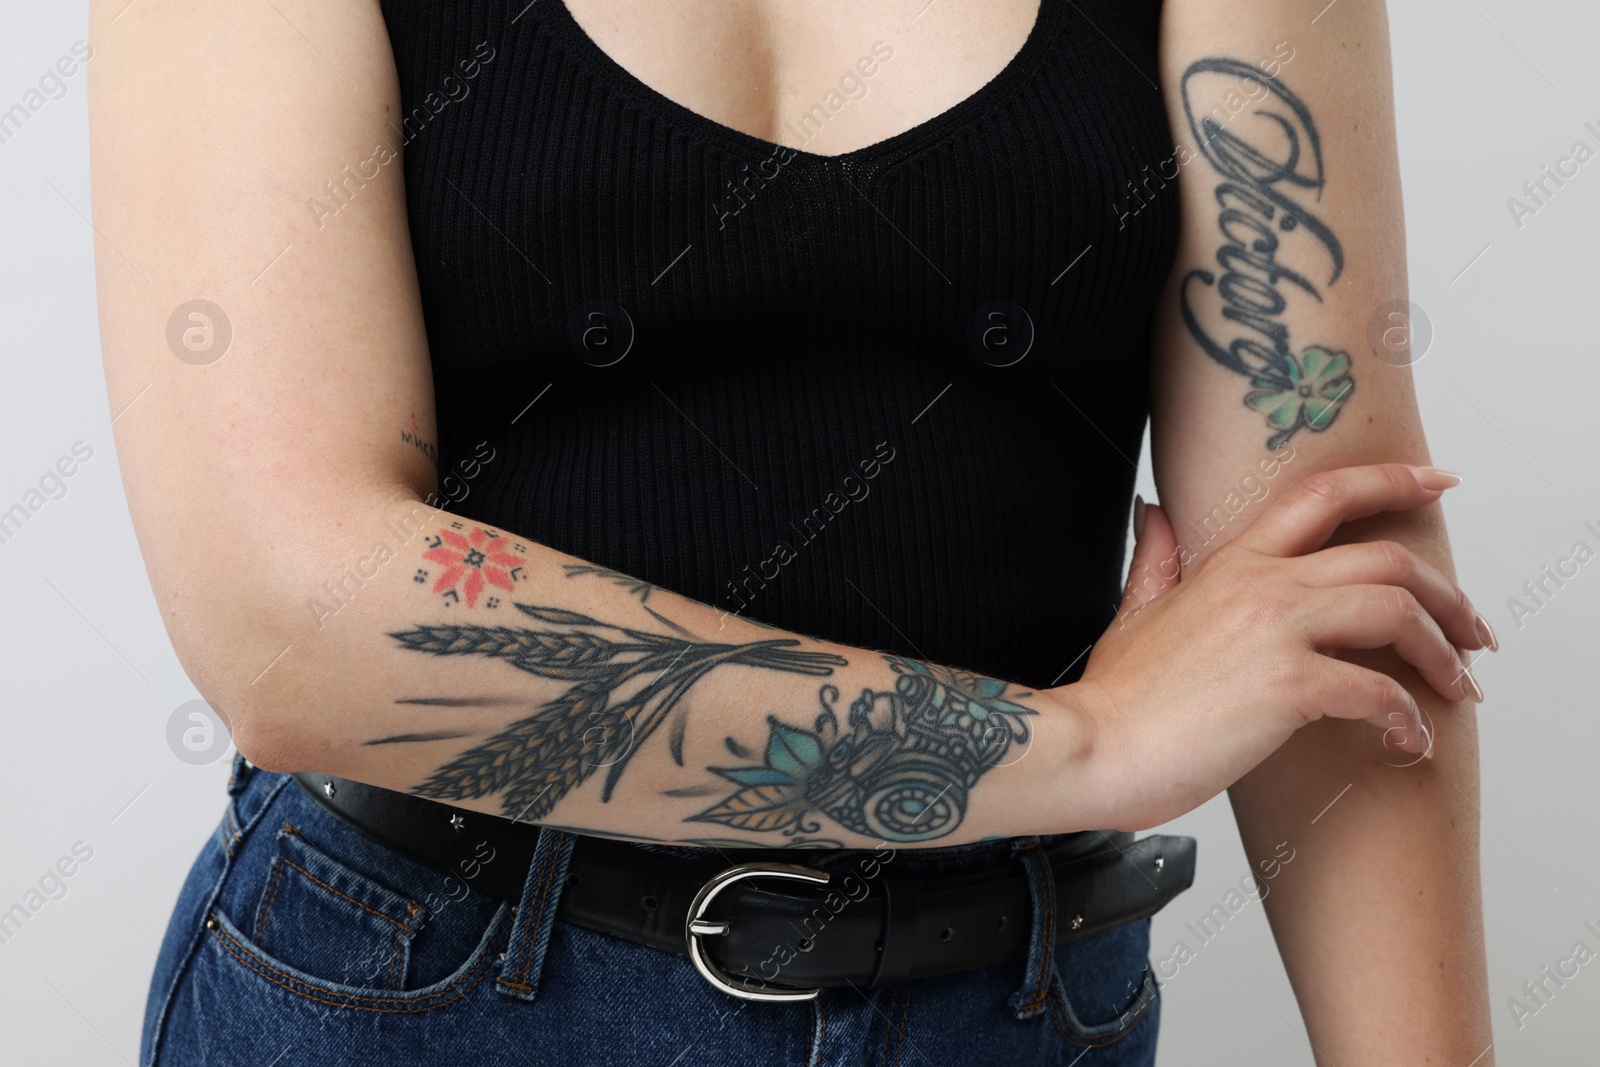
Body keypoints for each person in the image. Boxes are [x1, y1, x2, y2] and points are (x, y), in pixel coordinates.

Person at [89, 0, 1494, 1063]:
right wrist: (1087, 746)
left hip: (1010, 1001)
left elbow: (1334, 601)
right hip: (422, 986)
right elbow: (293, 622)